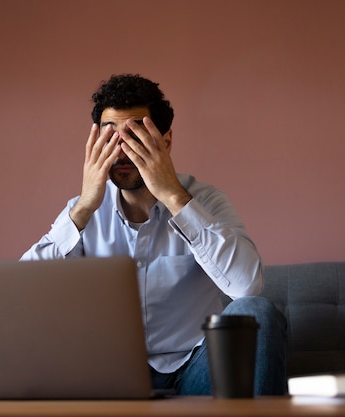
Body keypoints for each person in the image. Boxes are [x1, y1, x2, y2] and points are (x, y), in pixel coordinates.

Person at [21, 74, 287, 395]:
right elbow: (23, 291)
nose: (120, 152)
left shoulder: (205, 199)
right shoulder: (84, 211)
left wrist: (175, 198)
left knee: (258, 313)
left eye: (134, 135)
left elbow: (247, 286)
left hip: (195, 367)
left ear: (166, 141)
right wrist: (83, 209)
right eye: (110, 137)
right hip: (109, 373)